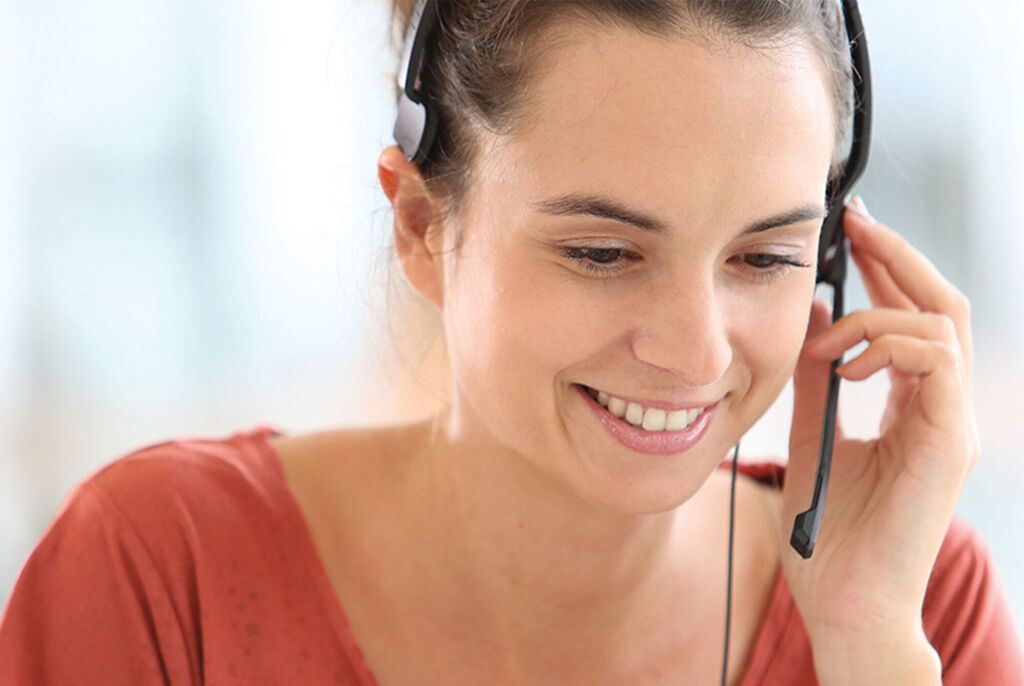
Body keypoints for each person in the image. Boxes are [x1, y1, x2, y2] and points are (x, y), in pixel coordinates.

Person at [2, 1, 1022, 684]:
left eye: (763, 258)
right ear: (421, 229)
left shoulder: (913, 600)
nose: (695, 350)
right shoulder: (160, 569)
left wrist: (863, 643)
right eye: (601, 251)